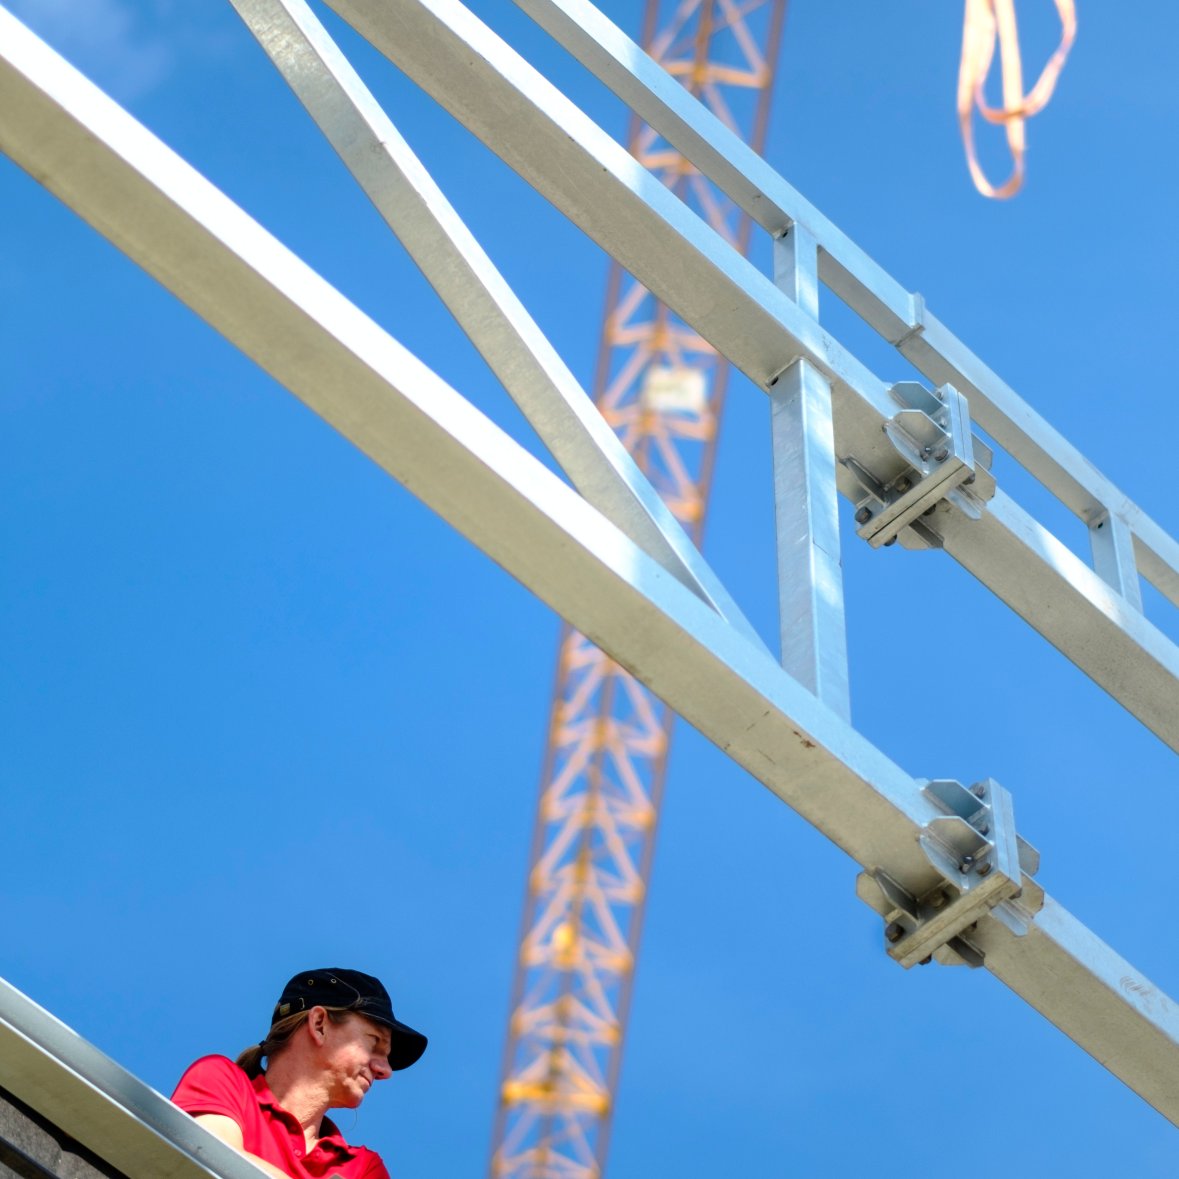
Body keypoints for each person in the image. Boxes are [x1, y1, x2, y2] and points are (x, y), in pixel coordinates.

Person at [172, 968, 426, 1179]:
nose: (385, 1071)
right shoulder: (222, 1080)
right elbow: (210, 1158)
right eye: (374, 1043)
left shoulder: (363, 1168)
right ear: (319, 1025)